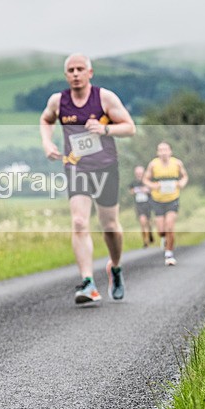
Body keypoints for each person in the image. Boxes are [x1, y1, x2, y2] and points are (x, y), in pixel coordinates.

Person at [40, 53, 136, 304]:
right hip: (76, 168)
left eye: (80, 69)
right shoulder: (58, 101)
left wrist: (105, 129)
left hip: (106, 168)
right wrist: (47, 142)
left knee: (110, 226)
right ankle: (88, 283)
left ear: (90, 73)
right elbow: (46, 120)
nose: (75, 74)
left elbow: (130, 127)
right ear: (65, 75)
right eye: (70, 70)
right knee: (80, 222)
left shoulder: (104, 98)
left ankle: (115, 266)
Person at [143, 142, 189, 266]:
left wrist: (182, 183)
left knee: (169, 226)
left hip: (173, 199)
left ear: (170, 151)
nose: (163, 152)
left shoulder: (177, 163)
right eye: (161, 150)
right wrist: (153, 185)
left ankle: (169, 253)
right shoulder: (153, 164)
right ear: (158, 153)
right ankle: (163, 238)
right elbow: (145, 179)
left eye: (165, 149)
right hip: (157, 200)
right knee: (161, 231)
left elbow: (184, 176)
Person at [129, 165, 155, 247]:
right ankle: (145, 241)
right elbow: (131, 192)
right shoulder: (133, 183)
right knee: (142, 221)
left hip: (148, 204)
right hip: (139, 205)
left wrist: (147, 190)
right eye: (137, 173)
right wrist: (136, 191)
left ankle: (150, 233)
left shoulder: (148, 181)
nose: (139, 175)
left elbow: (153, 190)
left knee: (148, 221)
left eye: (140, 173)